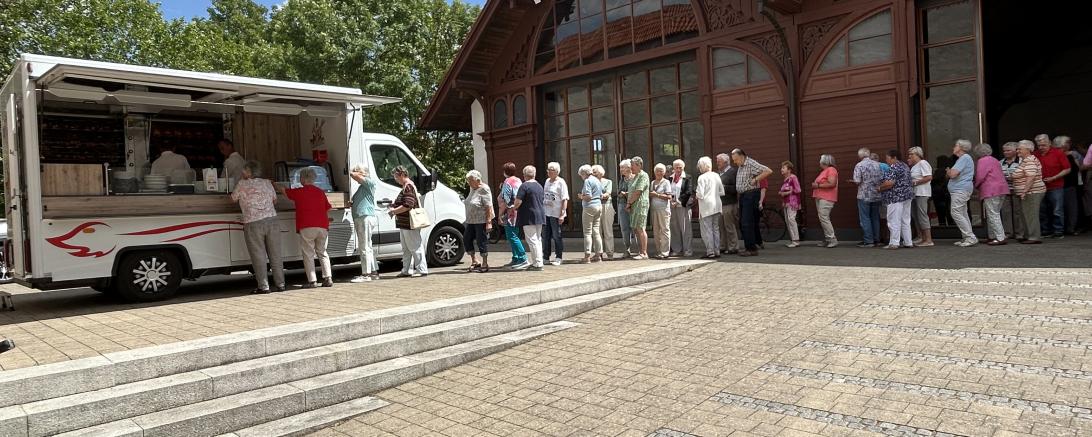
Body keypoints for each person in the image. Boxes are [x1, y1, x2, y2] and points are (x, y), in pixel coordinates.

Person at [231, 160, 284, 293]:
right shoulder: (267, 182)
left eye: (244, 170)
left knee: (258, 255)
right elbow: (275, 200)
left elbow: (233, 198)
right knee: (276, 254)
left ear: (248, 172)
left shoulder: (242, 184)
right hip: (272, 220)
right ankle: (280, 284)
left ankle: (264, 286)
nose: (242, 172)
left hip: (253, 223)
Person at [279, 167, 334, 287]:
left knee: (308, 253)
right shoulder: (320, 192)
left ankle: (312, 280)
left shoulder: (299, 192)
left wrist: (275, 184)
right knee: (322, 252)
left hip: (307, 226)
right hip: (323, 226)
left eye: (300, 178)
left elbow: (284, 191)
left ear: (303, 179)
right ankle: (328, 278)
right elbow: (328, 207)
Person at [387, 165, 428, 277]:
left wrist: (393, 211)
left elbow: (408, 205)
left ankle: (422, 269)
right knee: (406, 248)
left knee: (414, 246)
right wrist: (393, 206)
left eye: (395, 176)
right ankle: (406, 270)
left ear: (401, 175)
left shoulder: (408, 187)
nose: (395, 179)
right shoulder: (406, 186)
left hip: (410, 222)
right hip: (405, 223)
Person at [731, 149, 772, 257]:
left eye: (736, 160)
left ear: (741, 156)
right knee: (743, 222)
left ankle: (752, 249)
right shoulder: (741, 165)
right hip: (744, 195)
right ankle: (749, 246)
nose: (735, 162)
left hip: (751, 194)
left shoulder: (751, 163)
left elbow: (768, 171)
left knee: (747, 222)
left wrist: (756, 179)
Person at [973, 143, 1010, 246]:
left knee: (993, 214)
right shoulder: (994, 160)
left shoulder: (982, 161)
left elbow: (980, 176)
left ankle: (1000, 237)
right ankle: (992, 236)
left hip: (991, 189)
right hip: (1002, 188)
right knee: (994, 213)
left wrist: (976, 185)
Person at [1034, 134, 1069, 238]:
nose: (1041, 147)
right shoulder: (1035, 154)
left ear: (1049, 143)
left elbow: (1067, 169)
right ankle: (1046, 231)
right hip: (1040, 186)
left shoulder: (1058, 153)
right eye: (1039, 145)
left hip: (1056, 185)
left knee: (1057, 209)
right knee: (1042, 209)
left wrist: (1054, 177)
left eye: (1044, 145)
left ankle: (1058, 231)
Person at [878, 150, 914, 249]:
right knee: (905, 220)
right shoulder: (905, 166)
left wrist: (879, 188)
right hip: (907, 196)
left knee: (893, 219)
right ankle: (908, 242)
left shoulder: (893, 167)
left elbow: (890, 183)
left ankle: (894, 242)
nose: (886, 160)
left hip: (895, 196)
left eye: (887, 158)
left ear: (894, 158)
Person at [512, 165, 546, 270]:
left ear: (524, 175)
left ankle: (537, 264)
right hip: (540, 214)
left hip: (528, 215)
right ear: (534, 174)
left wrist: (514, 207)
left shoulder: (524, 186)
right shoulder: (539, 186)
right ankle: (539, 261)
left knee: (532, 239)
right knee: (538, 239)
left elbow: (518, 201)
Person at [1013, 140, 1047, 244]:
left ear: (1028, 150)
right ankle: (1028, 235)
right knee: (1026, 214)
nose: (1017, 150)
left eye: (1020, 149)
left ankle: (1034, 237)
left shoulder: (1029, 160)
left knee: (1031, 214)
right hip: (1030, 192)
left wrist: (1024, 191)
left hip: (1032, 192)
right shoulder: (1025, 160)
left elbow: (1031, 177)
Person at [349, 164, 379, 282]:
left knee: (364, 246)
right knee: (368, 246)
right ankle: (373, 271)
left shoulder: (369, 183)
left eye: (358, 172)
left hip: (364, 217)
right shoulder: (362, 187)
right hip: (362, 217)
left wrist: (352, 172)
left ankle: (365, 274)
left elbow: (355, 176)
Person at [850, 147, 883, 248]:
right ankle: (877, 239)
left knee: (865, 218)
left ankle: (868, 241)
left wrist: (853, 181)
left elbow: (857, 180)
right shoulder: (878, 164)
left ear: (860, 156)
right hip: (877, 194)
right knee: (875, 217)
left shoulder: (859, 165)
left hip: (864, 195)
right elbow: (882, 179)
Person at [463, 170, 494, 273]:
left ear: (477, 180)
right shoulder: (472, 188)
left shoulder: (484, 189)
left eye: (470, 180)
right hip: (471, 220)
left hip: (481, 220)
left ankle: (485, 263)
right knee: (466, 239)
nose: (469, 183)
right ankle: (475, 261)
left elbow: (488, 206)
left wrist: (489, 222)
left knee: (481, 241)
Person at [947, 139, 977, 247]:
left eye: (955, 145)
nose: (953, 148)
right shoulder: (963, 159)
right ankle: (967, 237)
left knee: (956, 213)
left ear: (961, 147)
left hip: (960, 190)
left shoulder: (964, 158)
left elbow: (953, 174)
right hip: (961, 189)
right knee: (963, 213)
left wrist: (948, 171)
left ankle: (970, 237)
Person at [497, 162, 527, 267]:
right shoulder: (518, 180)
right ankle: (516, 257)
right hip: (518, 211)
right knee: (515, 234)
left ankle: (522, 257)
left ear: (505, 172)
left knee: (512, 236)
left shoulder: (507, 182)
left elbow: (506, 200)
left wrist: (500, 214)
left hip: (510, 212)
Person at [694, 156, 724, 258]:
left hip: (706, 206)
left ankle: (710, 251)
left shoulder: (701, 178)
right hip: (717, 204)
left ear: (702, 166)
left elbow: (700, 194)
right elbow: (722, 192)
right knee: (715, 228)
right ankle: (717, 250)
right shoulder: (716, 175)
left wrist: (696, 194)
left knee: (708, 229)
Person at [542, 162, 569, 265]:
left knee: (556, 235)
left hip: (556, 213)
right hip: (546, 212)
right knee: (546, 235)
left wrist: (562, 213)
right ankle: (546, 257)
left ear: (557, 172)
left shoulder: (561, 182)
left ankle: (558, 256)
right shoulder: (547, 181)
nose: (549, 172)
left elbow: (564, 199)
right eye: (548, 170)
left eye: (551, 170)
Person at [578, 164, 605, 263]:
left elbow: (588, 196)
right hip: (598, 206)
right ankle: (598, 255)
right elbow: (601, 195)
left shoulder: (587, 181)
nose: (581, 177)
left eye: (581, 175)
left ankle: (587, 255)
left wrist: (581, 197)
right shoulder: (597, 180)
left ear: (584, 173)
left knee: (587, 232)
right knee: (596, 231)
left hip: (589, 207)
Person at [907, 147, 934, 247]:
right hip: (915, 193)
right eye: (909, 154)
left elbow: (929, 177)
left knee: (922, 215)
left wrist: (915, 182)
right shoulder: (914, 166)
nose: (910, 156)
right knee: (916, 215)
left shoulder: (923, 163)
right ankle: (921, 237)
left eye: (912, 154)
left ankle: (928, 239)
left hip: (922, 193)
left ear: (918, 154)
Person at [999, 142, 1025, 241]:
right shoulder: (1000, 162)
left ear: (1015, 151)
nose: (1006, 152)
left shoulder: (1022, 161)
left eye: (1008, 150)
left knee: (1018, 212)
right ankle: (1008, 233)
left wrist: (1014, 178)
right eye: (1004, 150)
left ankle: (1019, 233)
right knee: (1006, 212)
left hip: (1018, 189)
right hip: (1005, 190)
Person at [668, 159, 694, 257]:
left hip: (683, 206)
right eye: (676, 167)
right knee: (674, 228)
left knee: (685, 229)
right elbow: (668, 191)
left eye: (680, 167)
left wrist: (678, 201)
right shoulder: (670, 178)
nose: (678, 169)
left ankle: (687, 250)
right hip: (672, 206)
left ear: (683, 168)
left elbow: (688, 192)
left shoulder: (687, 177)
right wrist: (671, 201)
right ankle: (676, 249)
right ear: (673, 168)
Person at [626, 157, 651, 260]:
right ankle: (640, 251)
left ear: (639, 165)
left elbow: (638, 191)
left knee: (640, 228)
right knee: (636, 228)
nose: (631, 167)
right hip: (634, 205)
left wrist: (628, 203)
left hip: (640, 204)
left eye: (632, 165)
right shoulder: (635, 176)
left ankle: (644, 253)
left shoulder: (643, 176)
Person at [1056, 136, 1081, 235]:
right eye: (1068, 143)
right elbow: (1075, 169)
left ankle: (1067, 228)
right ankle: (1069, 228)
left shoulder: (1071, 154)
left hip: (1067, 184)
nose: (1069, 145)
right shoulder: (1066, 155)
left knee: (1063, 208)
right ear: (1063, 144)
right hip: (1066, 184)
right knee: (1070, 208)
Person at [812, 154, 839, 248]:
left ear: (825, 161)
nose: (819, 161)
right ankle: (828, 239)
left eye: (820, 159)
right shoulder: (825, 171)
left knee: (824, 217)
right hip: (821, 197)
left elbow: (832, 183)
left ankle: (832, 239)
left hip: (827, 198)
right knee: (822, 218)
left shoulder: (831, 170)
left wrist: (818, 186)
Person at [716, 153, 740, 254]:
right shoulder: (718, 173)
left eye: (719, 161)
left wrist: (724, 187)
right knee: (721, 226)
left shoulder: (733, 172)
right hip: (720, 203)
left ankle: (733, 246)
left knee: (729, 225)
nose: (717, 163)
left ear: (726, 162)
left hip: (729, 203)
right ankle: (722, 246)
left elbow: (736, 188)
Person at [648, 163, 673, 259]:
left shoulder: (666, 182)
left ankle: (665, 252)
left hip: (664, 209)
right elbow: (650, 194)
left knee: (664, 230)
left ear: (664, 172)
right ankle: (658, 251)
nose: (659, 173)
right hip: (654, 209)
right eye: (657, 171)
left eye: (661, 171)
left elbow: (669, 196)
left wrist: (657, 195)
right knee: (656, 231)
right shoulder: (653, 182)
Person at [593, 165, 616, 260]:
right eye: (592, 172)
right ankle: (598, 253)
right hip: (595, 206)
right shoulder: (591, 182)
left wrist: (598, 196)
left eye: (595, 172)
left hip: (606, 206)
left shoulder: (608, 182)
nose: (593, 174)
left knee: (607, 230)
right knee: (597, 231)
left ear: (600, 173)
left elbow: (608, 193)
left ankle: (610, 253)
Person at [778, 161, 802, 248]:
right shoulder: (785, 179)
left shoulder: (793, 177)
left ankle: (796, 240)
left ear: (789, 170)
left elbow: (798, 190)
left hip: (792, 202)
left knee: (791, 219)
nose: (781, 169)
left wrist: (787, 193)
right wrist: (781, 192)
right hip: (786, 203)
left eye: (783, 168)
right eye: (782, 168)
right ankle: (793, 240)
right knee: (788, 220)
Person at [616, 160, 635, 257]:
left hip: (633, 205)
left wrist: (626, 194)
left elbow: (636, 192)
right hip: (622, 205)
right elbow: (618, 193)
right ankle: (627, 248)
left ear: (628, 167)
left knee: (635, 227)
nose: (621, 170)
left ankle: (639, 249)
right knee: (624, 228)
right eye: (620, 168)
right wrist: (621, 194)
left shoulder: (635, 178)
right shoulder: (622, 179)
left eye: (622, 167)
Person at [932, 155, 953, 226]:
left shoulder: (938, 171)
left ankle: (942, 227)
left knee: (941, 214)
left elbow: (933, 182)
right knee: (949, 212)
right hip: (947, 194)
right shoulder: (948, 170)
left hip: (938, 196)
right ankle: (951, 226)